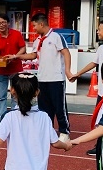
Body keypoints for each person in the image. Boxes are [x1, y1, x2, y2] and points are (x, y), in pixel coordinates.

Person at [10, 13, 73, 142]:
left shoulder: (56, 37)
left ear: (41, 24)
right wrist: (16, 56)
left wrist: (67, 70)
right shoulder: (38, 40)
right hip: (42, 78)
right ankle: (48, 129)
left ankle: (64, 131)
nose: (33, 28)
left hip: (56, 78)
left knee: (59, 107)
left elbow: (66, 53)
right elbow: (33, 55)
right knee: (44, 108)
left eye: (34, 25)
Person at [70, 20, 103, 156]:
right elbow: (94, 63)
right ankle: (99, 144)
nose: (97, 32)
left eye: (100, 29)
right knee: (100, 119)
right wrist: (78, 74)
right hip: (102, 92)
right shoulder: (101, 48)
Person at [0, 13, 26, 124]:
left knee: (16, 95)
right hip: (2, 71)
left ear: (8, 23)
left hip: (16, 69)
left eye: (3, 22)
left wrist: (15, 56)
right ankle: (2, 118)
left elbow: (23, 48)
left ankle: (16, 116)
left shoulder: (16, 34)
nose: (1, 25)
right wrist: (0, 61)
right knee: (1, 96)